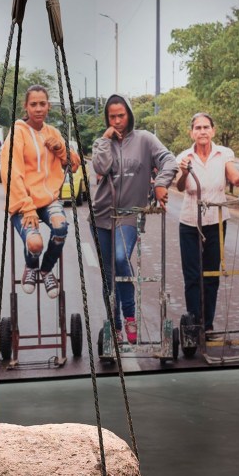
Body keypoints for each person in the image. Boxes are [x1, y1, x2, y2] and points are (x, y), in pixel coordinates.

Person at [91, 94, 177, 343]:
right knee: (109, 274)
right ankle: (115, 326)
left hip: (131, 214)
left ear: (129, 114)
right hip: (102, 215)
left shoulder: (145, 140)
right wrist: (106, 140)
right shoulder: (101, 142)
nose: (117, 121)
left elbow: (169, 160)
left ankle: (130, 315)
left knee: (120, 257)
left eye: (121, 115)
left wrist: (161, 183)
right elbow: (101, 168)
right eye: (112, 117)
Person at [2, 85, 78, 301]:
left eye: (42, 104)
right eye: (33, 104)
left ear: (48, 106)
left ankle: (45, 271)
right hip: (23, 201)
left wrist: (61, 149)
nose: (38, 108)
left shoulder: (53, 132)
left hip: (49, 199)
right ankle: (31, 265)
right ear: (26, 107)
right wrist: (27, 207)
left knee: (61, 228)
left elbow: (73, 165)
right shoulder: (17, 132)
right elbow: (11, 172)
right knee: (35, 243)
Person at [171, 112, 239, 333]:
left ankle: (207, 324)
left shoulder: (224, 153)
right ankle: (193, 324)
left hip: (217, 220)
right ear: (192, 132)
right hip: (190, 221)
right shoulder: (184, 156)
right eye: (198, 128)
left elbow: (236, 179)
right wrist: (183, 171)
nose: (202, 131)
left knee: (211, 274)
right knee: (192, 275)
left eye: (206, 127)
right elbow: (180, 187)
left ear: (213, 131)